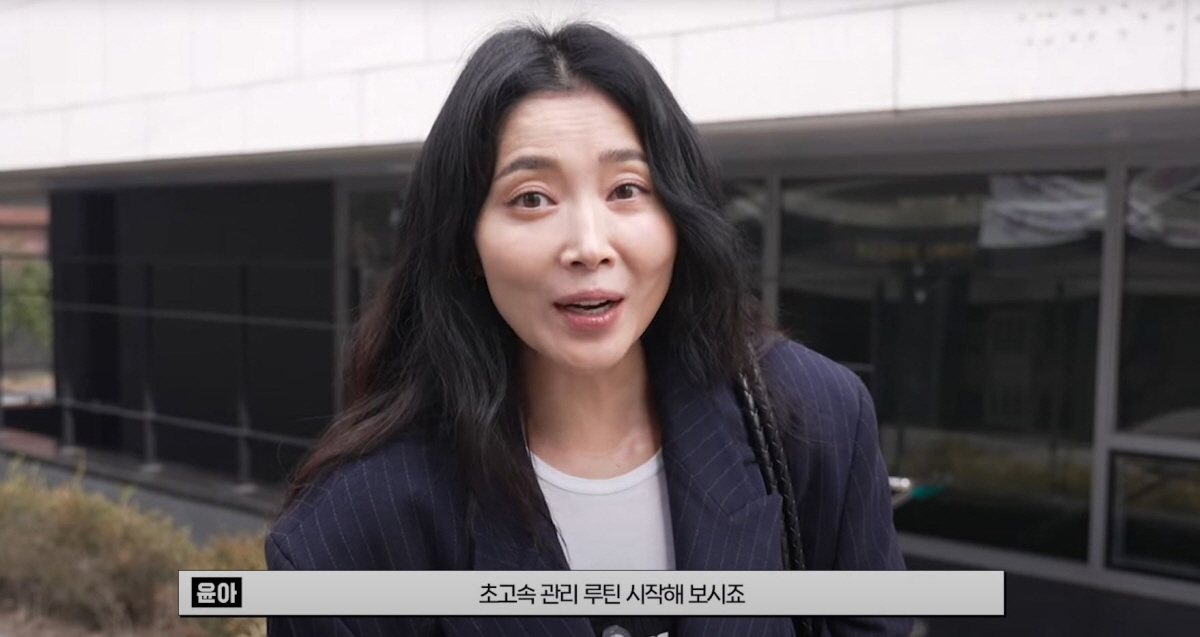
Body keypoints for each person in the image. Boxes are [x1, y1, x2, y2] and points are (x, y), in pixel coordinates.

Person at [266, 21, 911, 637]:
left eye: (626, 189)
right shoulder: (349, 536)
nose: (589, 246)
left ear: (678, 215)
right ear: (466, 244)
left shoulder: (813, 419)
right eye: (531, 198)